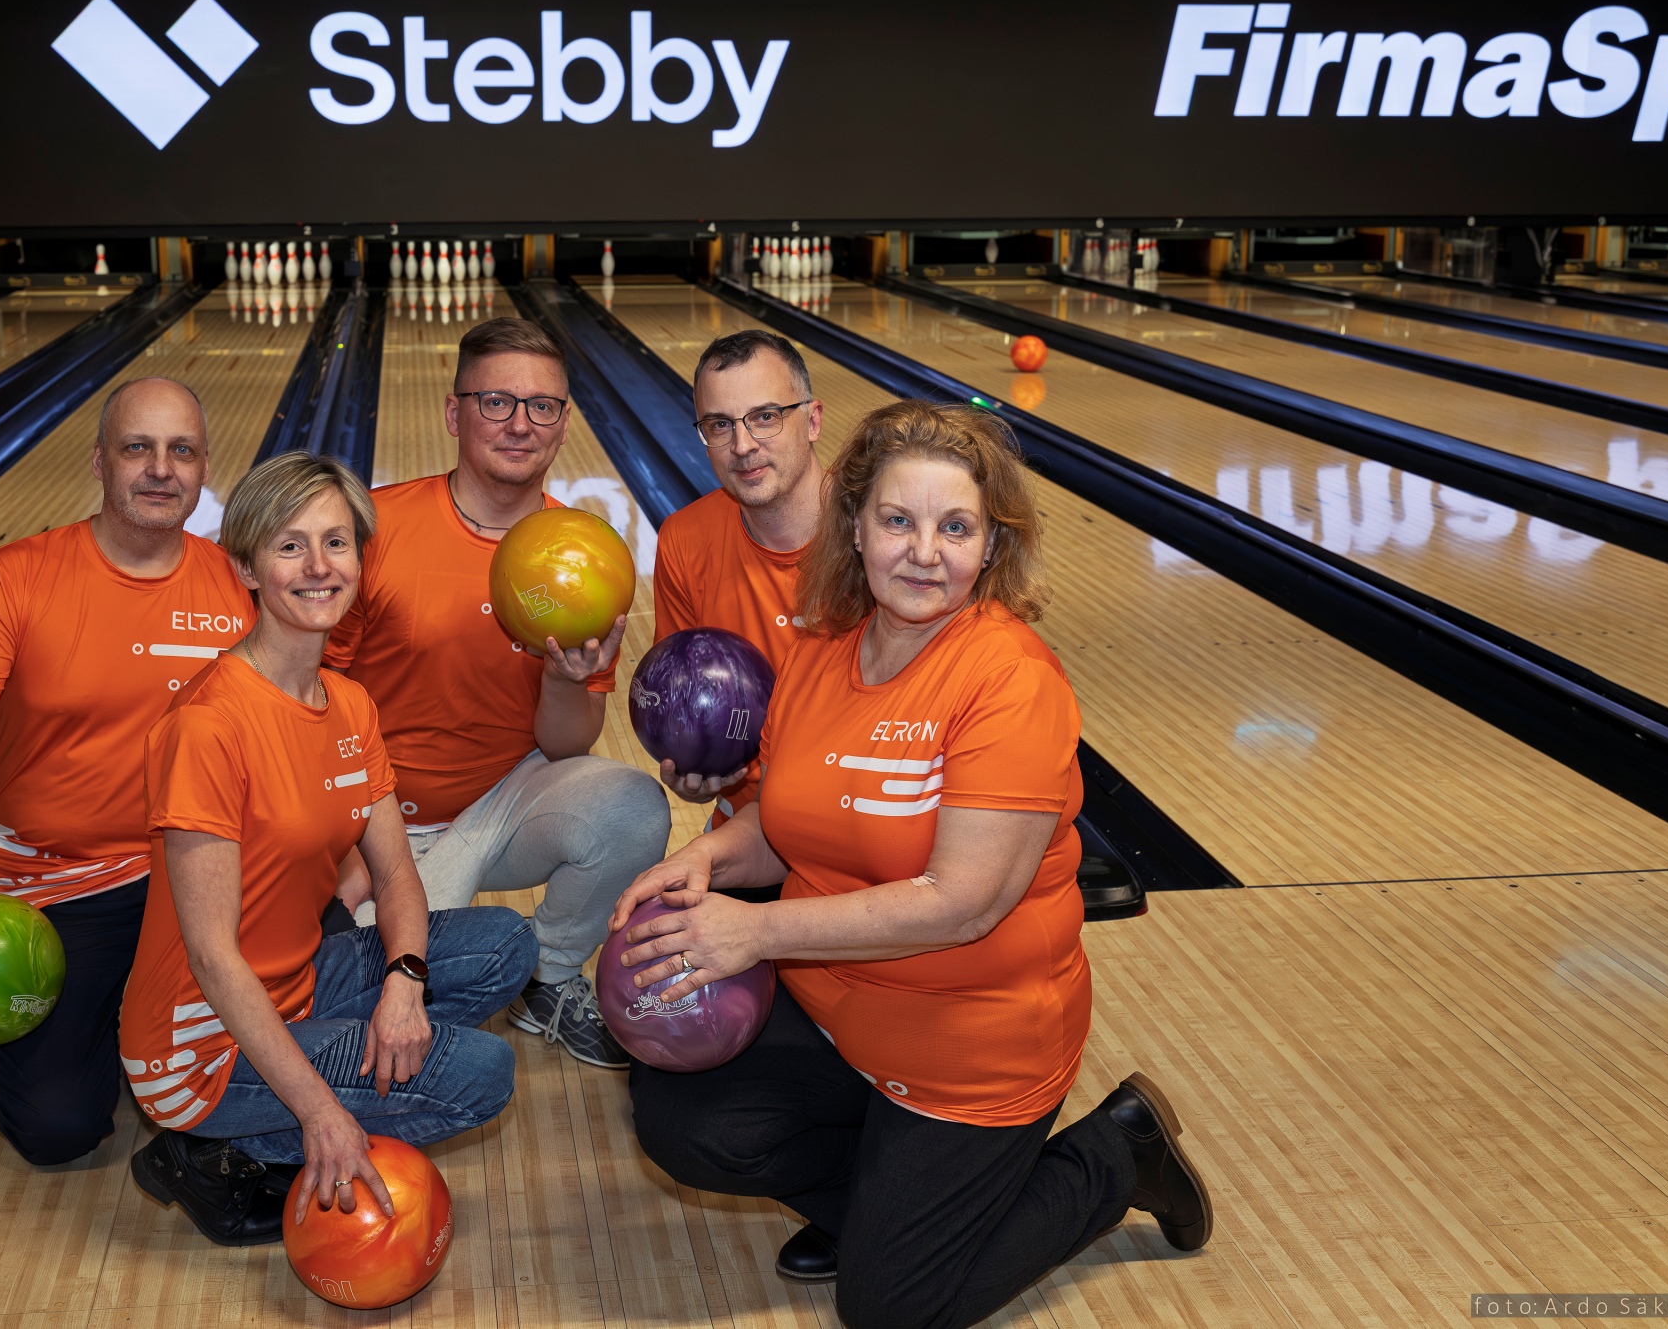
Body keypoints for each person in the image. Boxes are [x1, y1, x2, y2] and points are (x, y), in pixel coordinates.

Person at [611, 401, 1212, 1327]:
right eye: (899, 520)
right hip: (836, 1015)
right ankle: (889, 1209)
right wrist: (708, 857)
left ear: (991, 544)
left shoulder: (1009, 680)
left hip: (971, 1047)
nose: (925, 552)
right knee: (682, 1120)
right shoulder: (822, 650)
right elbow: (789, 820)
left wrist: (755, 930)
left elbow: (961, 902)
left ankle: (1113, 1159)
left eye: (955, 527)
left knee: (889, 1310)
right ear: (854, 526)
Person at [121, 452, 534, 1246]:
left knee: (505, 942)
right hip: (199, 1043)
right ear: (247, 567)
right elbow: (211, 956)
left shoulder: (348, 702)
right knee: (484, 1076)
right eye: (290, 545)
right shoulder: (208, 725)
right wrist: (320, 1112)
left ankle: (322, 1084)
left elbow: (396, 872)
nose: (319, 566)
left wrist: (404, 983)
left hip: (300, 980)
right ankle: (215, 1147)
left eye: (336, 542)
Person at [0, 377, 254, 1166]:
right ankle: (117, 1012)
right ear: (99, 460)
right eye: (137, 447)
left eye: (181, 450)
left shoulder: (239, 584)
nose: (161, 468)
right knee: (56, 1130)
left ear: (204, 467)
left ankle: (137, 1012)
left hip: (198, 873)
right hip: (57, 887)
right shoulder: (15, 576)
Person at [326, 317, 671, 1069]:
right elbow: (311, 701)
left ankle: (548, 976)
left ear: (564, 422)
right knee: (352, 997)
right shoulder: (374, 528)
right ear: (454, 414)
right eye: (495, 402)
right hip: (376, 818)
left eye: (542, 406)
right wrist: (346, 841)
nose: (520, 424)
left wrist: (565, 681)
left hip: (501, 806)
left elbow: (566, 745)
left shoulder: (590, 561)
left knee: (633, 809)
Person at [653, 329, 824, 837]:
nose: (743, 445)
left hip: (862, 824)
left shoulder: (881, 536)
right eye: (719, 425)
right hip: (747, 823)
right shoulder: (684, 538)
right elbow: (680, 704)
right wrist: (692, 762)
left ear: (812, 420)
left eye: (766, 416)